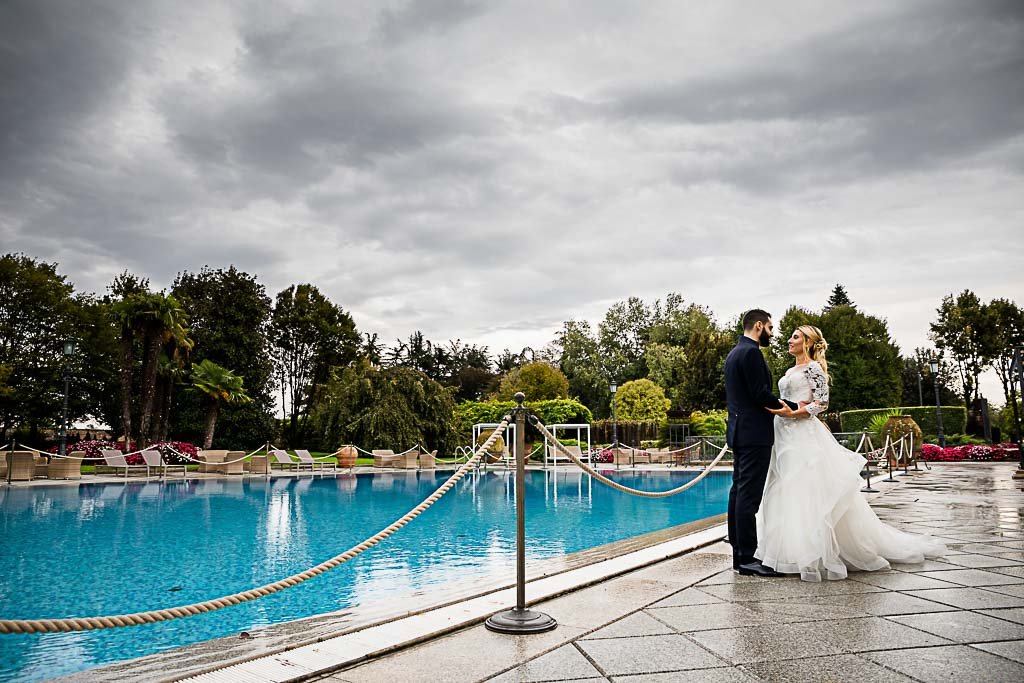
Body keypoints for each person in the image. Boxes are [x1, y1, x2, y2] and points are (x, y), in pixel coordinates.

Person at [755, 325, 946, 581]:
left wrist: (794, 413)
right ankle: (786, 550)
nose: (790, 340)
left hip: (802, 433)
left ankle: (812, 553)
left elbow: (822, 403)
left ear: (809, 342)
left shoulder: (814, 368)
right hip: (781, 434)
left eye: (796, 337)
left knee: (803, 487)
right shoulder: (790, 370)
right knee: (782, 487)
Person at [724, 309, 801, 577]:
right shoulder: (752, 353)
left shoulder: (734, 353)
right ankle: (747, 557)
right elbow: (760, 395)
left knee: (737, 493)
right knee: (748, 496)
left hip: (738, 431)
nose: (772, 332)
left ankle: (739, 554)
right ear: (758, 326)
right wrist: (793, 407)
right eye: (770, 327)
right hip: (754, 434)